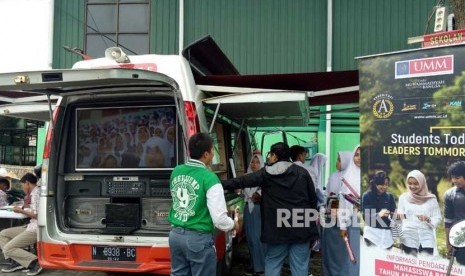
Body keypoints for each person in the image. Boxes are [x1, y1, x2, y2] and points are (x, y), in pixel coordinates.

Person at [223, 142, 319, 276]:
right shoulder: (302, 172)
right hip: (301, 226)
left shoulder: (266, 173)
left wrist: (216, 183)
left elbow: (241, 181)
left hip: (278, 229)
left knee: (273, 262)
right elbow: (313, 200)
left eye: (269, 155)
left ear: (274, 156)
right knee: (300, 266)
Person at [167, 133, 239, 276]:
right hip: (198, 239)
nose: (213, 153)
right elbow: (219, 220)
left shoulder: (176, 171)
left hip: (175, 236)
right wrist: (234, 224)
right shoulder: (210, 178)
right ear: (206, 154)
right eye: (213, 150)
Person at [0, 173, 42, 275]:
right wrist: (23, 208)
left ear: (27, 183)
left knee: (7, 248)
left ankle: (35, 262)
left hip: (36, 228)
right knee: (3, 234)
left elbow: (38, 216)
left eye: (22, 185)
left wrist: (21, 211)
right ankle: (18, 261)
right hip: (30, 226)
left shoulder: (36, 194)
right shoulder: (33, 193)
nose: (22, 188)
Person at [397, 169, 441, 256]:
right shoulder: (403, 198)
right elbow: (399, 220)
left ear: (422, 183)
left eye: (416, 183)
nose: (412, 186)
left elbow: (438, 219)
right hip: (408, 238)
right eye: (410, 183)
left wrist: (428, 219)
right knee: (409, 267)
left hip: (426, 239)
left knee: (425, 267)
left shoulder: (431, 199)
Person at [321, 150, 352, 276]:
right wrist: (328, 201)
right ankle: (329, 272)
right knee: (330, 248)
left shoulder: (351, 176)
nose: (336, 162)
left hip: (344, 220)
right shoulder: (333, 175)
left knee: (342, 250)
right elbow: (326, 193)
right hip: (331, 217)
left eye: (339, 160)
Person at [338, 145, 361, 276]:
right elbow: (342, 203)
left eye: (362, 155)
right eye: (356, 155)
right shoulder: (348, 177)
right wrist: (343, 227)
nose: (359, 158)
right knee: (354, 255)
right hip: (354, 222)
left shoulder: (374, 176)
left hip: (371, 222)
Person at [243, 151, 266, 276]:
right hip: (248, 208)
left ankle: (260, 268)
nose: (254, 164)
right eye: (253, 161)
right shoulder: (246, 176)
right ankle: (253, 265)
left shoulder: (264, 177)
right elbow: (243, 194)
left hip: (258, 209)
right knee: (250, 238)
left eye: (257, 162)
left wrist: (259, 195)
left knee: (257, 238)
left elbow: (266, 192)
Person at [361, 171, 396, 249]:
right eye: (381, 184)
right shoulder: (367, 196)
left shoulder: (390, 197)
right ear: (375, 183)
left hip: (387, 239)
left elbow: (394, 217)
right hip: (372, 236)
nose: (384, 187)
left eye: (386, 184)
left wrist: (396, 216)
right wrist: (379, 214)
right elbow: (366, 218)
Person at [444, 161, 465, 265]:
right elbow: (448, 221)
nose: (454, 181)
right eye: (452, 178)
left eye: (457, 178)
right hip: (460, 239)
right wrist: (448, 244)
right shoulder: (449, 195)